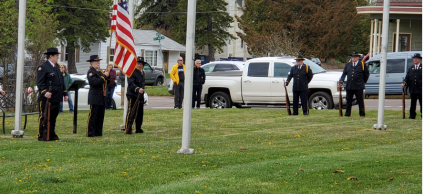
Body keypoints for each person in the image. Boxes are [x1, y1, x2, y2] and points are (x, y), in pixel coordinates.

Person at [36, 47, 68, 141]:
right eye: (57, 56)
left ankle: (51, 134)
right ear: (51, 56)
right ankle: (42, 135)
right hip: (46, 98)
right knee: (44, 116)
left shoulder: (57, 67)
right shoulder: (43, 67)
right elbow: (40, 82)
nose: (58, 57)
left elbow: (61, 81)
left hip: (56, 97)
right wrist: (44, 92)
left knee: (53, 117)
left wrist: (65, 93)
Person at [338, 51, 370, 117]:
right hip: (349, 85)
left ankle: (362, 114)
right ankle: (347, 114)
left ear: (358, 57)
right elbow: (344, 74)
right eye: (352, 56)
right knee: (348, 100)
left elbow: (366, 75)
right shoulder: (348, 65)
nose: (353, 58)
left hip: (358, 86)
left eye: (355, 56)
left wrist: (363, 82)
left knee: (360, 101)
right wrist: (341, 81)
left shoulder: (362, 65)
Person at [86, 55, 110, 137]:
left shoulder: (99, 72)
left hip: (101, 96)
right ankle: (90, 132)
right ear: (92, 63)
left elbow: (107, 81)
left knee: (100, 116)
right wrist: (104, 76)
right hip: (95, 96)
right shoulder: (91, 72)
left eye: (99, 61)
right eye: (96, 61)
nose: (98, 63)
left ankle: (98, 131)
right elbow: (95, 82)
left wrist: (107, 75)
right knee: (93, 115)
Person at [125, 56, 146, 133]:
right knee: (131, 111)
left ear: (143, 65)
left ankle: (138, 128)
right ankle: (128, 127)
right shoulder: (132, 72)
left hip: (140, 95)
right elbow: (131, 83)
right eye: (137, 64)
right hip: (132, 95)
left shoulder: (143, 73)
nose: (139, 65)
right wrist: (137, 89)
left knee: (139, 113)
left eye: (140, 64)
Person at [401, 53, 422, 119]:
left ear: (419, 59)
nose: (414, 60)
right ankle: (412, 115)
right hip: (413, 88)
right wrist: (404, 83)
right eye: (414, 59)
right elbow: (407, 78)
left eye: (416, 58)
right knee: (413, 103)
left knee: (422, 103)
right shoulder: (410, 68)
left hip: (421, 88)